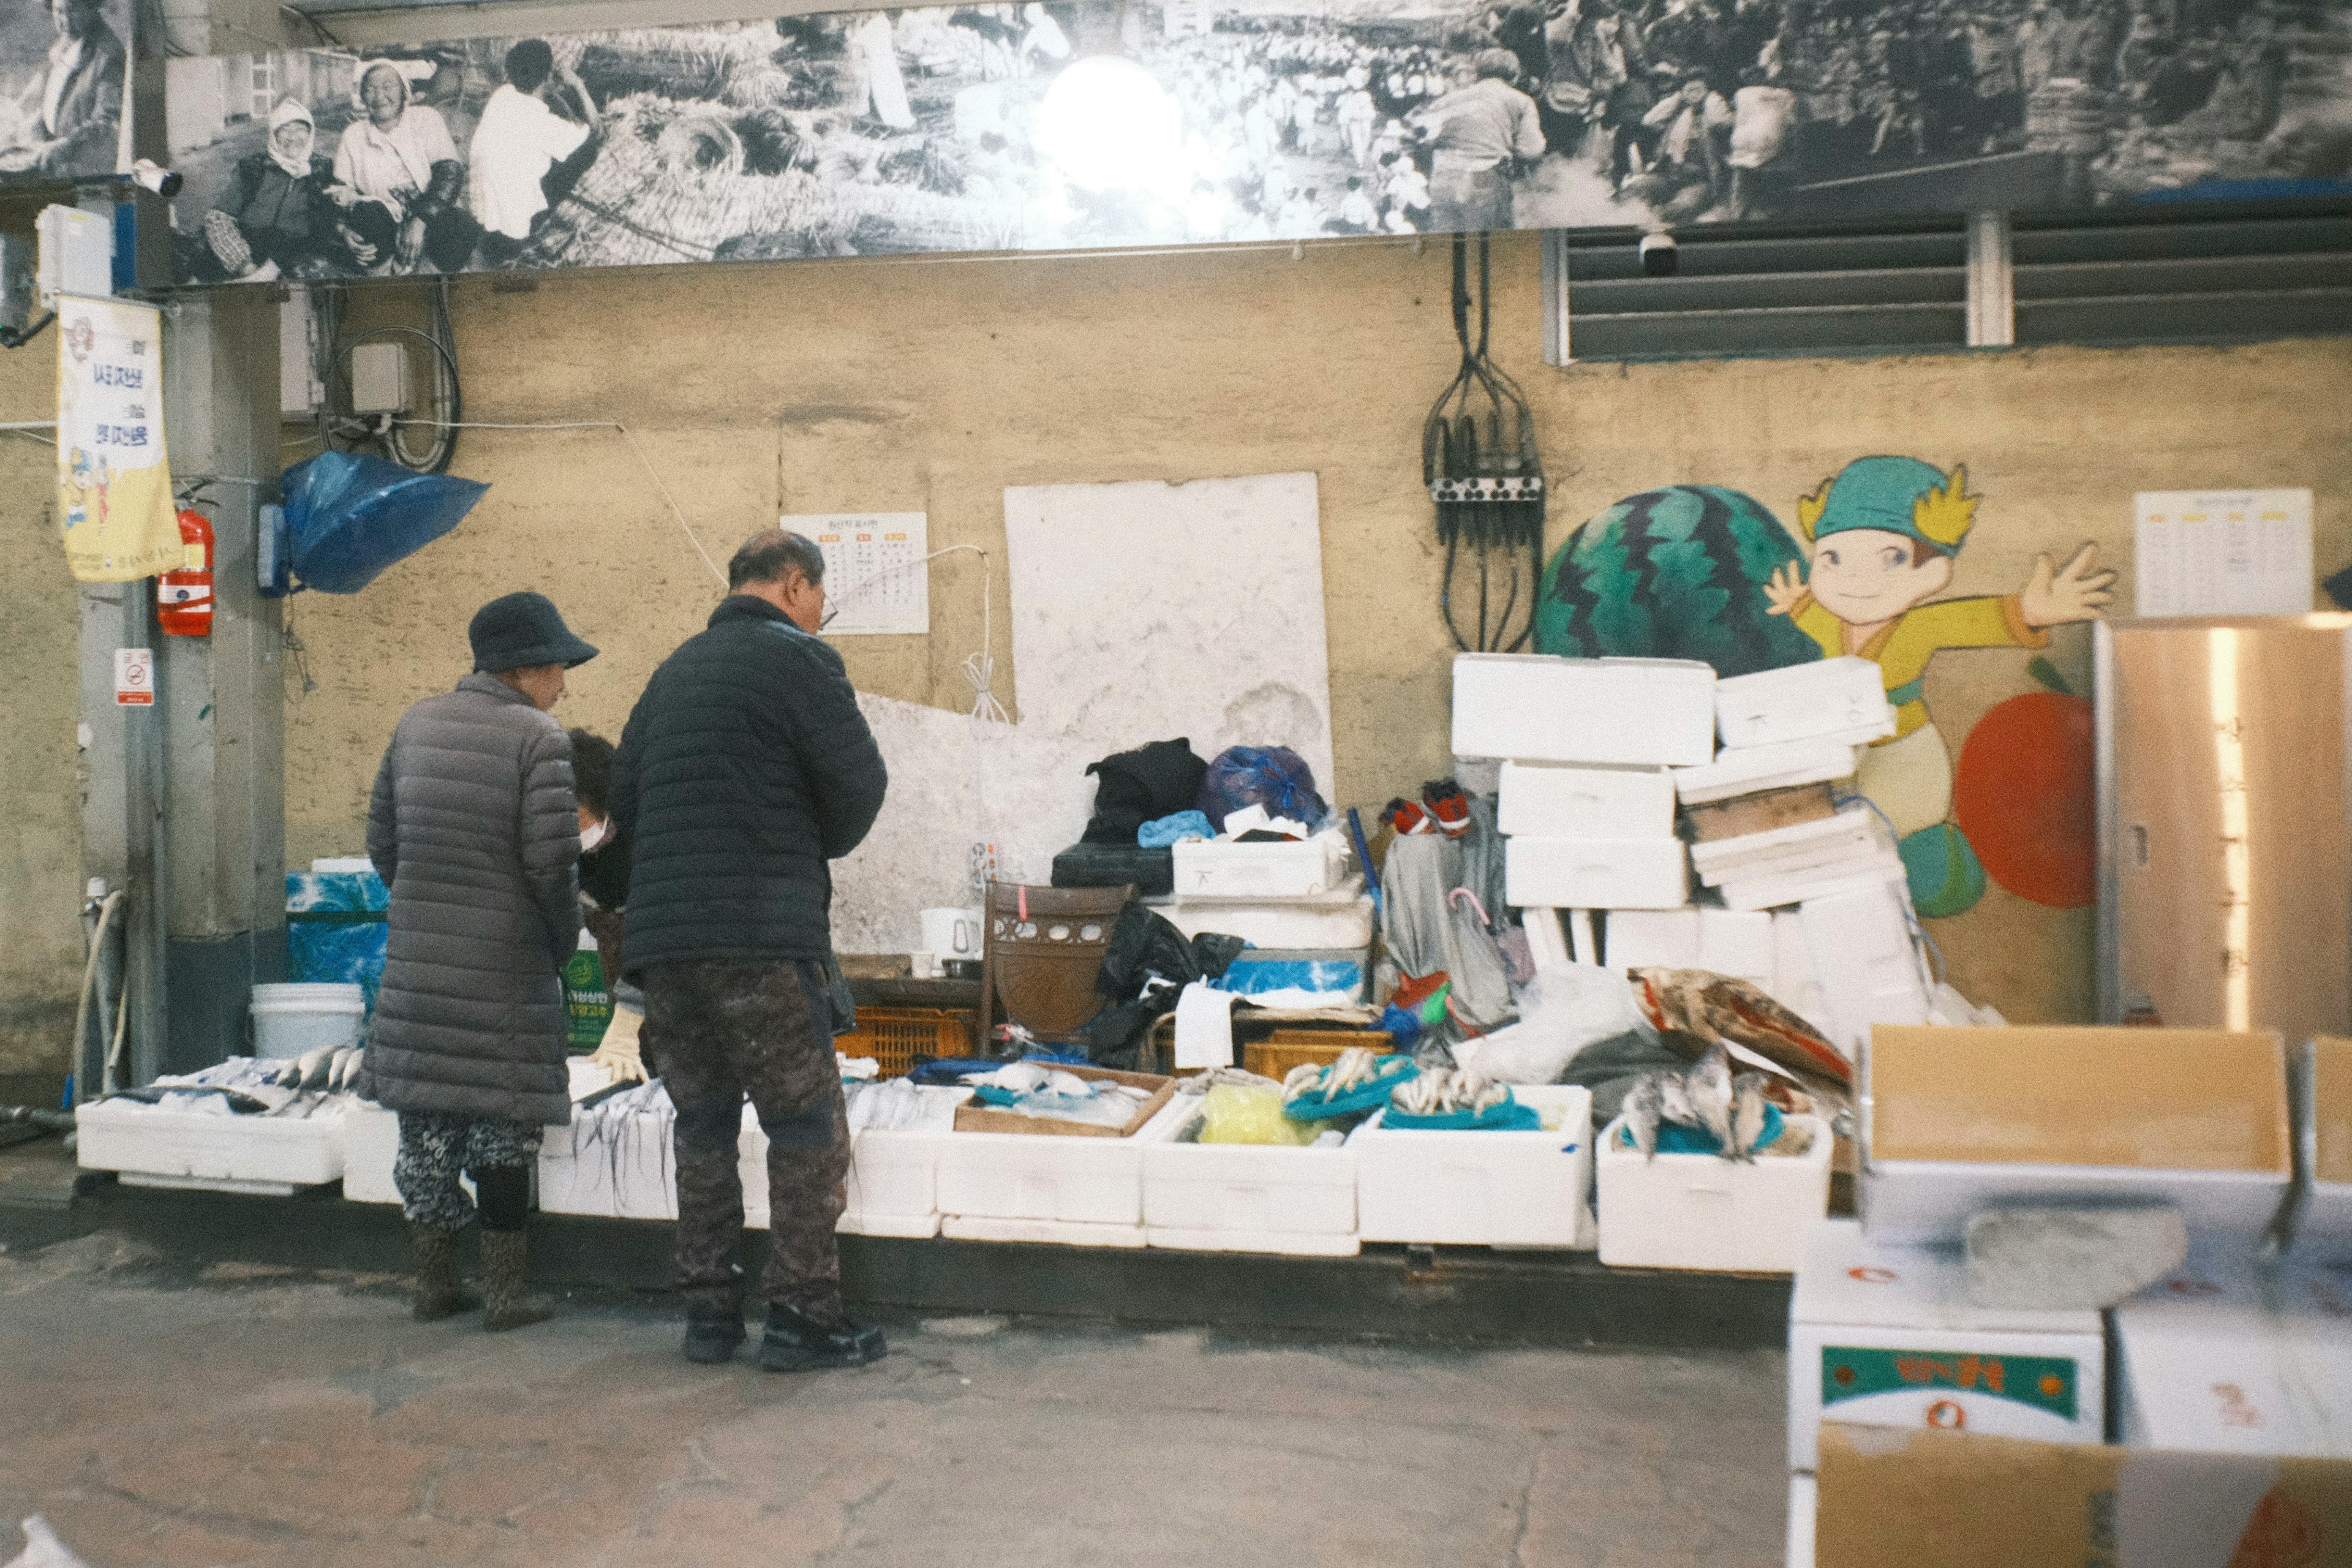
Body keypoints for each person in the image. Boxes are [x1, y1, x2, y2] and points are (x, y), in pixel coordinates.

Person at [612, 530, 889, 1373]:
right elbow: (859, 787)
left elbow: (623, 799)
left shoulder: (672, 672)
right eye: (820, 598)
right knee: (804, 1125)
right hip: (761, 937)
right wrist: (811, 842)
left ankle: (709, 1316)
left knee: (701, 1124)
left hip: (665, 944)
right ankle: (803, 1318)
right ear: (796, 585)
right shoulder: (802, 663)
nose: (819, 614)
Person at [362, 591, 601, 1332]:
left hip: (419, 965)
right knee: (502, 1125)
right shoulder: (540, 739)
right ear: (527, 668)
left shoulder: (415, 724)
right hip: (505, 967)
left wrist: (429, 906)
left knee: (427, 1127)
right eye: (559, 665)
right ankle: (504, 1294)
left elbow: (382, 841)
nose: (564, 682)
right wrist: (563, 943)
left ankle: (433, 1285)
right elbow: (552, 866)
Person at [331, 60, 478, 274]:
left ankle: (428, 271)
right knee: (366, 215)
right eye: (370, 89)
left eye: (387, 86)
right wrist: (343, 230)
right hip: (385, 222)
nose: (379, 95)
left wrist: (420, 221)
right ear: (363, 97)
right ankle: (384, 269)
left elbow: (450, 172)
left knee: (461, 226)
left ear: (404, 91)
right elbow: (339, 191)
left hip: (428, 217)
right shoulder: (353, 135)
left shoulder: (425, 118)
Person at [468, 39, 597, 269]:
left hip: (482, 211)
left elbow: (528, 107)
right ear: (548, 78)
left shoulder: (501, 95)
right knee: (587, 152)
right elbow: (596, 131)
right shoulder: (543, 124)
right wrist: (577, 85)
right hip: (511, 230)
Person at [568, 729, 648, 1086]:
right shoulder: (566, 852)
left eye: (575, 814)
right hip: (618, 983)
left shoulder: (644, 838)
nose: (566, 827)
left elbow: (660, 933)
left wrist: (631, 1013)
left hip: (674, 985)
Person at [190, 99, 345, 282]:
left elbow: (335, 214)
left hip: (295, 251)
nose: (293, 137)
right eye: (285, 130)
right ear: (274, 134)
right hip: (248, 246)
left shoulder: (322, 169)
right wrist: (244, 265)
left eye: (300, 129)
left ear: (311, 133)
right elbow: (219, 218)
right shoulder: (254, 168)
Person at [1414, 51, 1545, 233]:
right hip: (1486, 177)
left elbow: (1421, 133)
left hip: (1443, 177)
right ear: (1514, 75)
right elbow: (1532, 149)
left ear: (1479, 72)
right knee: (1491, 245)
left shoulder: (1450, 99)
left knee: (1448, 244)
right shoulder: (1521, 101)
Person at [2, 0, 126, 178]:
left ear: (92, 7)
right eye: (59, 12)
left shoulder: (107, 56)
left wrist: (65, 145)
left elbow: (107, 122)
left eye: (74, 11)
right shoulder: (66, 43)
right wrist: (38, 121)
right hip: (55, 160)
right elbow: (57, 96)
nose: (66, 21)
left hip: (85, 170)